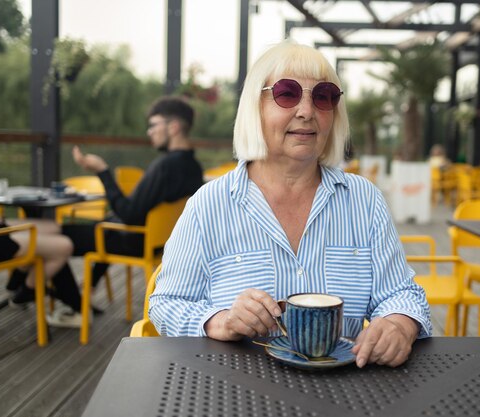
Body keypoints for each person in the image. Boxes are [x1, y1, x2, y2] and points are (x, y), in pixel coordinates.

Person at [149, 40, 431, 369]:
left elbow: (401, 292)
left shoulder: (364, 200)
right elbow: (166, 304)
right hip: (238, 389)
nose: (307, 111)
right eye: (287, 93)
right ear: (256, 107)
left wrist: (398, 325)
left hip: (343, 390)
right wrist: (221, 321)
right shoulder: (208, 205)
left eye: (324, 96)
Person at [65, 96, 204, 291]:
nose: (150, 131)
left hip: (134, 241)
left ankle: (69, 302)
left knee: (59, 236)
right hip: (163, 242)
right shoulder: (194, 167)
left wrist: (102, 171)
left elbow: (129, 214)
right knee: (101, 226)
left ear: (173, 127)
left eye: (154, 125)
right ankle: (82, 293)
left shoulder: (165, 166)